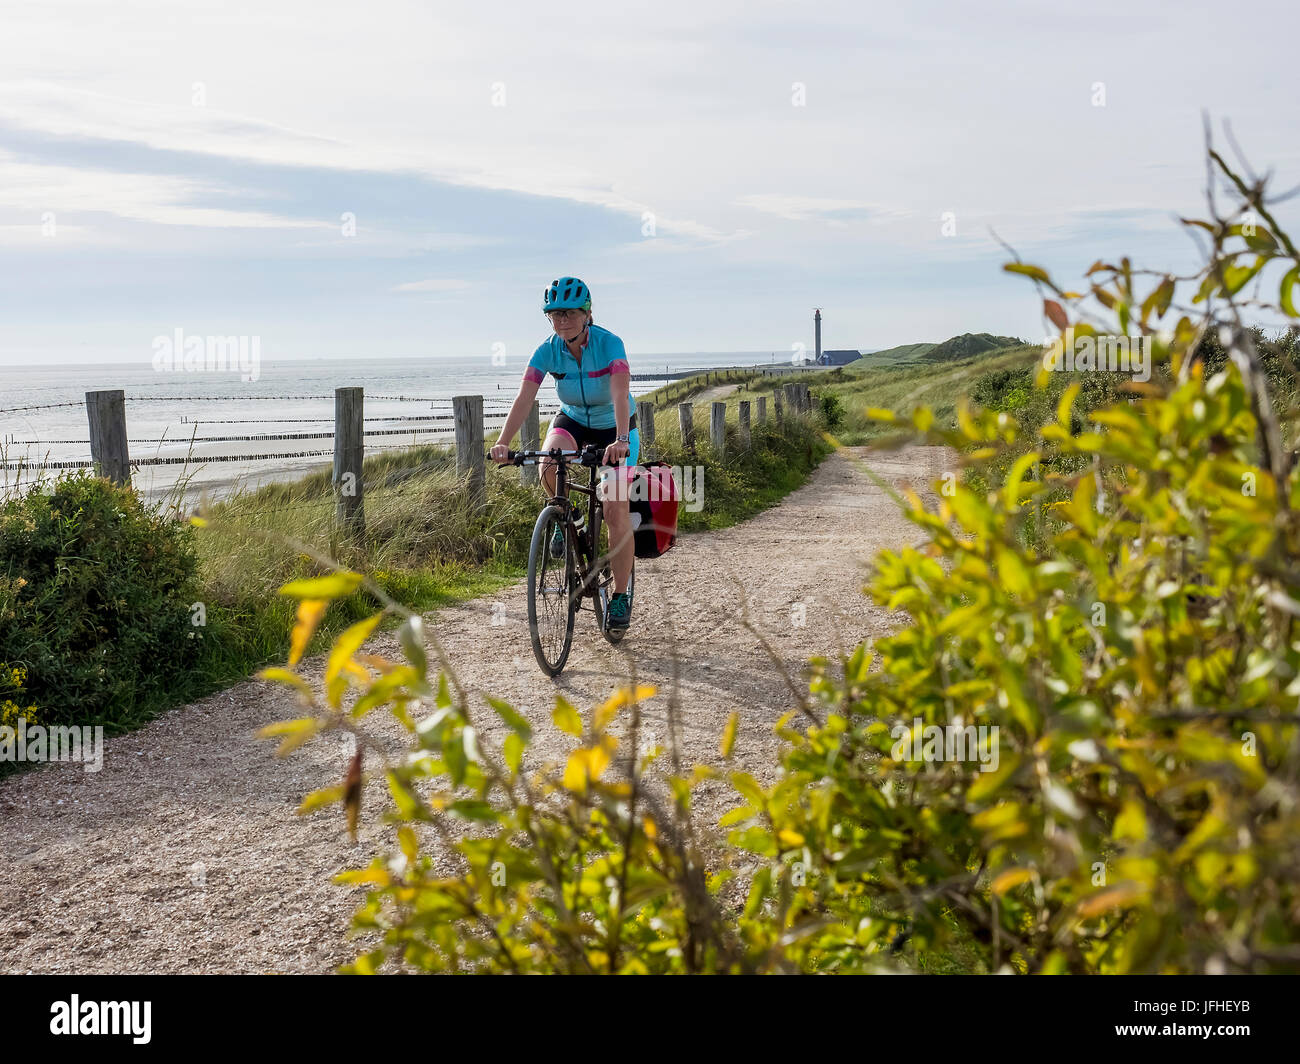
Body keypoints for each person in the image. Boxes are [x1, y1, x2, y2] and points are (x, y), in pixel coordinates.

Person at [489, 276, 639, 633]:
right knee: (548, 463)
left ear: (587, 314)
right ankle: (570, 518)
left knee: (615, 507)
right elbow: (525, 397)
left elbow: (620, 392)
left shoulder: (610, 344)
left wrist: (620, 439)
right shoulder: (546, 351)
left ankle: (620, 595)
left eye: (569, 313)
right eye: (554, 315)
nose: (562, 321)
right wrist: (503, 442)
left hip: (615, 426)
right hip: (572, 419)